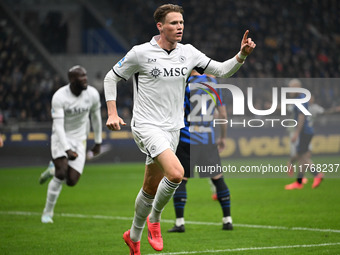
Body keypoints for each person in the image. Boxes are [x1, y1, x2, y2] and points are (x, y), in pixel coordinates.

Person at [104, 4, 255, 254]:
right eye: (174, 23)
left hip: (173, 128)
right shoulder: (140, 53)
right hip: (146, 126)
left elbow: (221, 70)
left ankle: (133, 236)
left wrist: (242, 55)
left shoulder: (189, 53)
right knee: (175, 174)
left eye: (182, 23)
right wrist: (112, 111)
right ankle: (155, 219)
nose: (180, 27)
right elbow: (111, 77)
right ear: (160, 26)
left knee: (150, 188)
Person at [168, 70, 233, 233]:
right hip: (208, 138)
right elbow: (222, 113)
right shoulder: (214, 84)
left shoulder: (184, 83)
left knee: (181, 180)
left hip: (187, 138)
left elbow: (177, 111)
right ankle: (227, 220)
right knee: (218, 178)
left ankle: (180, 222)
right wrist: (223, 137)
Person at [40, 65, 102, 223]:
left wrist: (98, 142)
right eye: (81, 77)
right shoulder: (60, 97)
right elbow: (58, 127)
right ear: (72, 80)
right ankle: (47, 213)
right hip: (61, 138)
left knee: (71, 181)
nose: (85, 79)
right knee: (61, 174)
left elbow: (96, 117)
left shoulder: (92, 94)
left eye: (86, 76)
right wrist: (66, 149)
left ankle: (52, 168)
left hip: (80, 139)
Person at [285, 79, 323, 190]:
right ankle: (299, 182)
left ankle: (316, 174)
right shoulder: (301, 98)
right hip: (307, 131)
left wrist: (296, 133)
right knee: (302, 157)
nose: (289, 90)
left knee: (302, 156)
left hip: (304, 131)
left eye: (291, 88)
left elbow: (302, 116)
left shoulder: (301, 99)